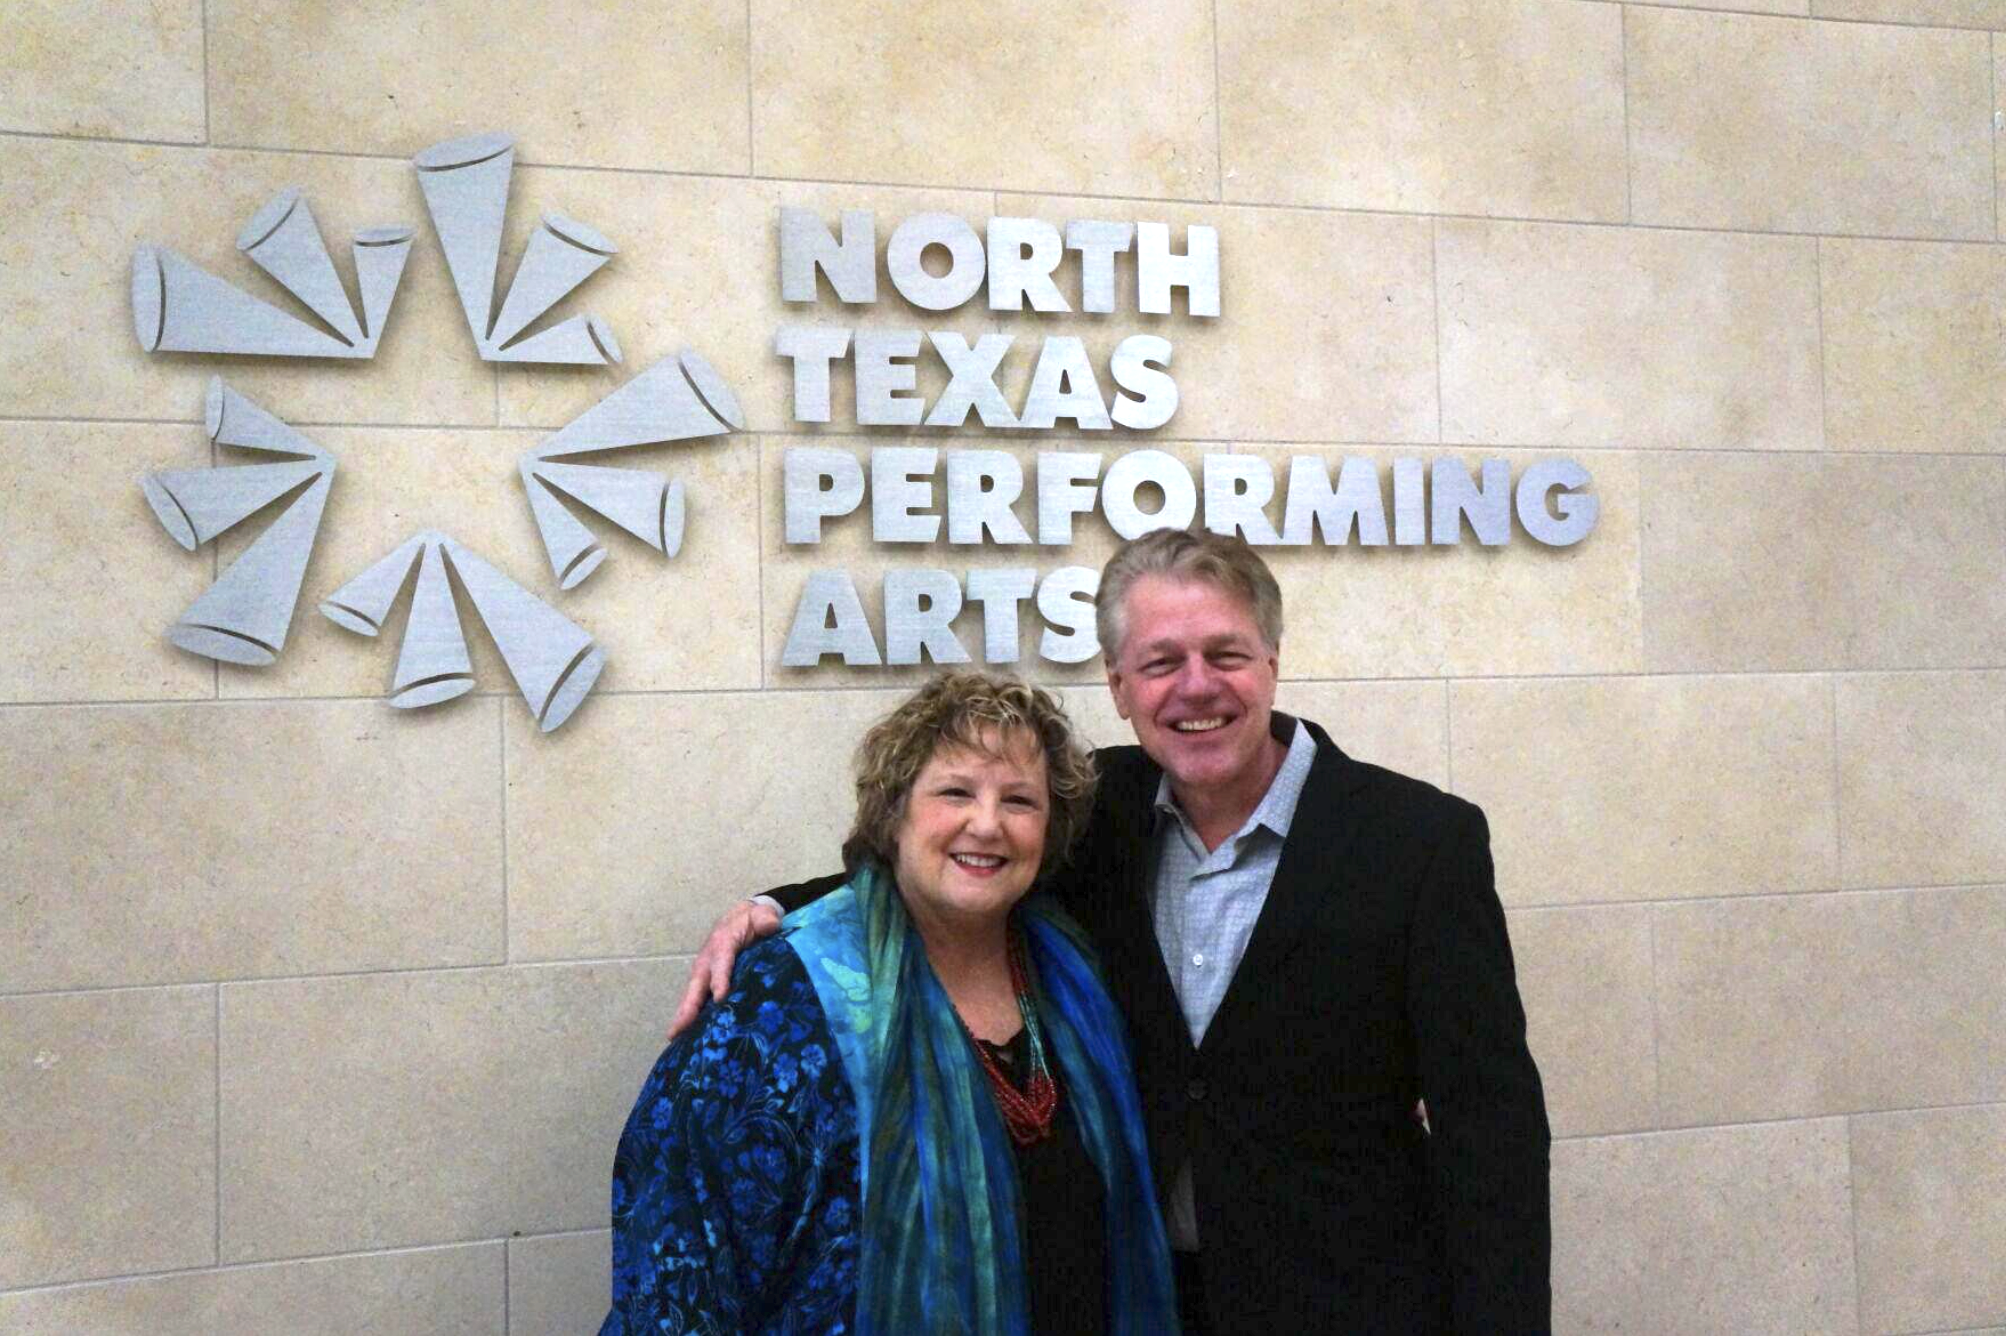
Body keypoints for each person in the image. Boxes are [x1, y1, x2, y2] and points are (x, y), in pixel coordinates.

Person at [672, 528, 1552, 1333]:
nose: (1196, 686)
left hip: (1353, 1306)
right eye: (1161, 661)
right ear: (1119, 685)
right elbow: (960, 860)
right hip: (1151, 1302)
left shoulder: (1420, 842)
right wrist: (778, 905)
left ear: (1273, 662)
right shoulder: (1103, 812)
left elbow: (1493, 1136)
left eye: (1226, 654)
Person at [603, 672, 1179, 1334]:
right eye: (955, 792)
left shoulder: (1075, 978)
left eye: (1019, 801)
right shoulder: (775, 1009)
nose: (986, 824)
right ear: (894, 813)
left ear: (1051, 832)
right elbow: (678, 1274)